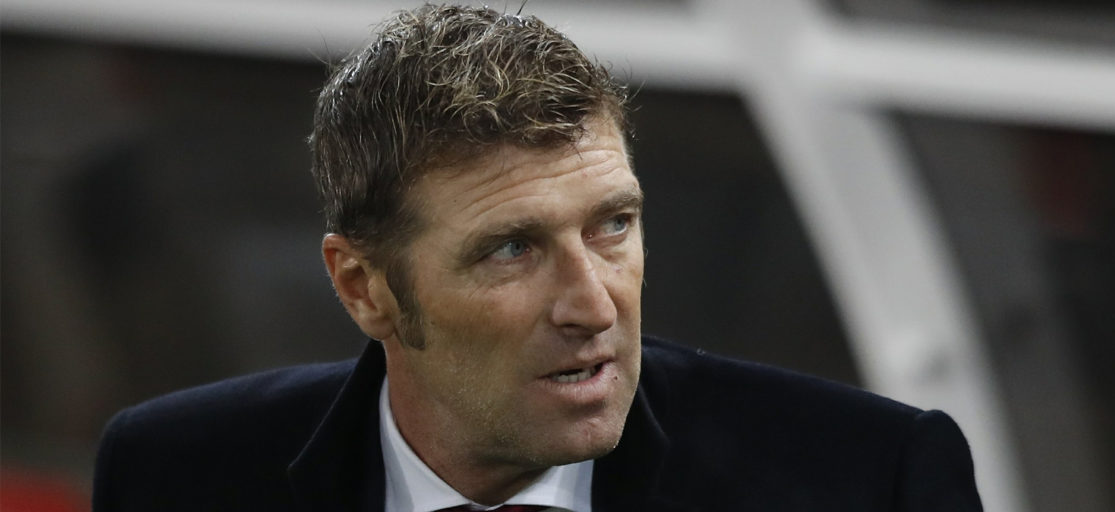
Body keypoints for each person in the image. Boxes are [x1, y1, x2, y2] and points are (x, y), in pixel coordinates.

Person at [92, 4, 983, 511]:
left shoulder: (867, 482)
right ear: (364, 288)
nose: (593, 305)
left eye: (612, 226)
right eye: (512, 249)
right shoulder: (177, 475)